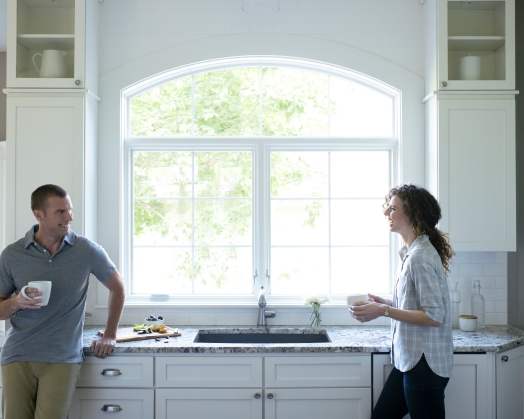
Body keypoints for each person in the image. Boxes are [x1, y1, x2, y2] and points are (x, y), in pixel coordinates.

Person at [0, 184, 125, 419]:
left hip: (62, 357)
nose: (69, 217)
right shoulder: (12, 255)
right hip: (17, 355)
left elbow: (117, 287)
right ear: (39, 215)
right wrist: (17, 302)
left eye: (70, 210)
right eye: (60, 212)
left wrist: (110, 333)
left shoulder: (86, 250)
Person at [349, 184, 455, 419]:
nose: (387, 213)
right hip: (410, 361)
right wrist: (386, 303)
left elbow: (433, 316)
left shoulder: (420, 257)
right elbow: (419, 304)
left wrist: (384, 310)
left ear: (412, 214)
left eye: (393, 208)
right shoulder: (412, 253)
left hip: (424, 365)